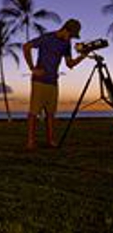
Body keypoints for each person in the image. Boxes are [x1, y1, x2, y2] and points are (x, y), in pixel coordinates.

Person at [23, 18, 88, 150]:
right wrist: (32, 68)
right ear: (66, 30)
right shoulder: (47, 38)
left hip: (53, 82)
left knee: (51, 114)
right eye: (71, 35)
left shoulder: (66, 44)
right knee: (34, 113)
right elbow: (26, 46)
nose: (71, 39)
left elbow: (69, 64)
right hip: (39, 81)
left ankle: (50, 141)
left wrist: (83, 56)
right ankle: (30, 142)